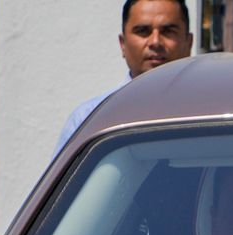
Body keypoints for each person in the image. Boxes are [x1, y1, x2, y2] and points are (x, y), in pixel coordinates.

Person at [57, 0, 194, 151]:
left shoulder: (212, 112)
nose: (155, 42)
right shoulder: (88, 119)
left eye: (168, 31)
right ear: (123, 44)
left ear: (189, 42)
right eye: (143, 31)